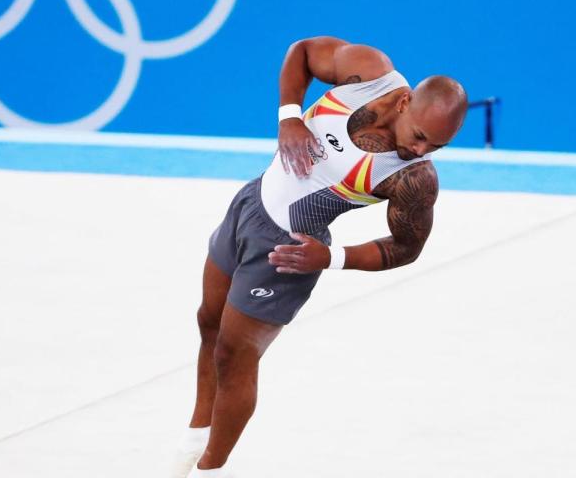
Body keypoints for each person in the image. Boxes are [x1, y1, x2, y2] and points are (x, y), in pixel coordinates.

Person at [172, 36, 468, 477]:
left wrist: (328, 258)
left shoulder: (414, 178)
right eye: (422, 137)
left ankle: (209, 469)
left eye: (437, 147)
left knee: (234, 355)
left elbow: (407, 247)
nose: (422, 151)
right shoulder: (369, 74)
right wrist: (289, 117)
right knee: (208, 321)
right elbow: (303, 51)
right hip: (251, 202)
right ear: (405, 101)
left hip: (290, 253)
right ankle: (195, 436)